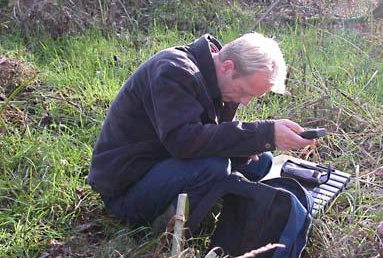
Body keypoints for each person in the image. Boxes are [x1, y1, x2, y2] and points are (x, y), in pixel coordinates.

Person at [88, 32, 314, 231]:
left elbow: (207, 135)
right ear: (227, 67)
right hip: (126, 191)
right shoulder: (173, 70)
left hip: (164, 162)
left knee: (260, 160)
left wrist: (251, 144)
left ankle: (215, 197)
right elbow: (183, 141)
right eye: (244, 92)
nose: (245, 102)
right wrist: (262, 134)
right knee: (213, 167)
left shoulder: (218, 77)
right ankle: (167, 228)